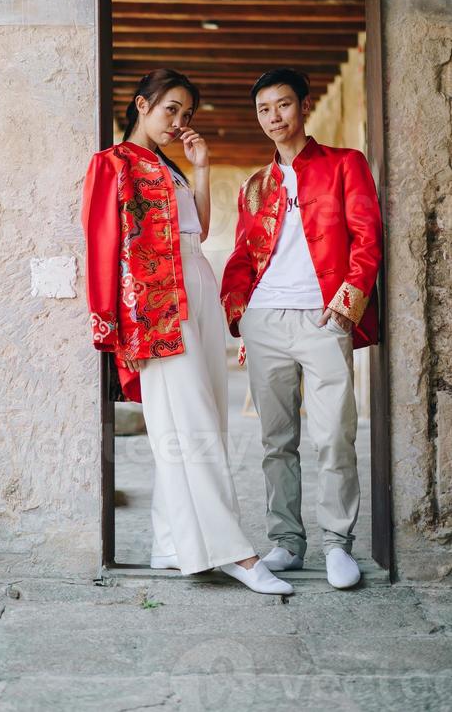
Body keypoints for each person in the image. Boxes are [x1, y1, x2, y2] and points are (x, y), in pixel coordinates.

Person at [81, 69, 293, 595]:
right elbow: (100, 242)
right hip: (156, 306)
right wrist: (109, 324)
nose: (179, 121)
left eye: (186, 114)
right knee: (191, 425)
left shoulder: (167, 168)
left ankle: (172, 544)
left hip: (196, 285)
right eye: (170, 109)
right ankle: (237, 555)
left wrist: (200, 169)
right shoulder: (112, 164)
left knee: (201, 422)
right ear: (141, 106)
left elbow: (197, 223)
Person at [220, 67, 383, 589]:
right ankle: (287, 543)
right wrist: (240, 314)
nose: (274, 117)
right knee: (276, 439)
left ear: (304, 106)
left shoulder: (344, 165)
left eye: (283, 105)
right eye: (264, 109)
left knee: (334, 434)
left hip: (322, 316)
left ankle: (338, 545)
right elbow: (243, 254)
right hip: (266, 319)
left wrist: (346, 303)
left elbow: (367, 236)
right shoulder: (255, 184)